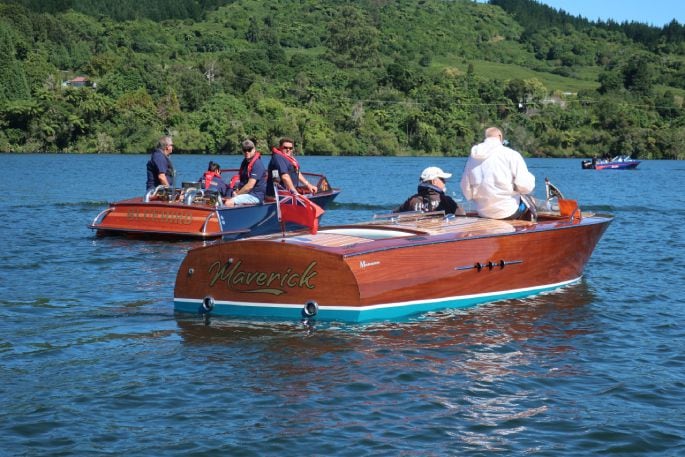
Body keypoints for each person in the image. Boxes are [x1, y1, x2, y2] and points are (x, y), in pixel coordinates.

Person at [460, 127, 535, 219]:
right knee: (530, 200)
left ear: (486, 137)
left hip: (482, 212)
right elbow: (525, 186)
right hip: (508, 211)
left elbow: (465, 187)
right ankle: (528, 230)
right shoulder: (511, 154)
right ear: (500, 137)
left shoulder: (472, 158)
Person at [397, 166, 462, 214]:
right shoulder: (446, 201)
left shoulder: (412, 200)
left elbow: (394, 215)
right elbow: (462, 216)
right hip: (440, 231)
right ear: (434, 181)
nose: (445, 182)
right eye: (442, 179)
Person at [223, 139, 267, 207]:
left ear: (254, 149)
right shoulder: (245, 162)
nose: (247, 152)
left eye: (249, 150)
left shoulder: (257, 164)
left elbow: (249, 186)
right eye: (244, 150)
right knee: (223, 199)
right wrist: (237, 191)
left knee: (228, 203)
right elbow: (243, 182)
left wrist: (237, 195)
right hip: (247, 194)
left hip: (256, 195)